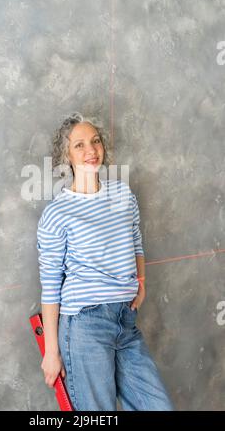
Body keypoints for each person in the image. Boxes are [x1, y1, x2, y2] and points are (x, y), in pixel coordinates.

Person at [36, 112, 174, 411]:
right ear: (67, 156)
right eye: (80, 145)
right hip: (84, 326)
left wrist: (141, 283)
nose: (91, 150)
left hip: (125, 322)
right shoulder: (57, 213)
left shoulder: (123, 194)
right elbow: (50, 284)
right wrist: (51, 350)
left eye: (95, 141)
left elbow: (136, 240)